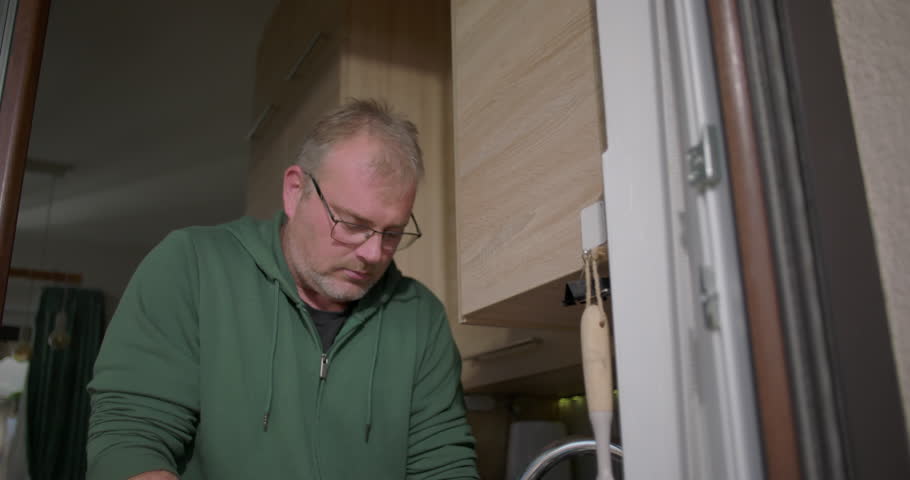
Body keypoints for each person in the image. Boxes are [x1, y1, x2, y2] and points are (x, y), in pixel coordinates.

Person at [86, 99, 479, 479]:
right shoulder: (192, 265)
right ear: (295, 190)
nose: (374, 253)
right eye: (353, 224)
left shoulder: (420, 316)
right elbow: (131, 439)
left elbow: (443, 466)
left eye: (392, 233)